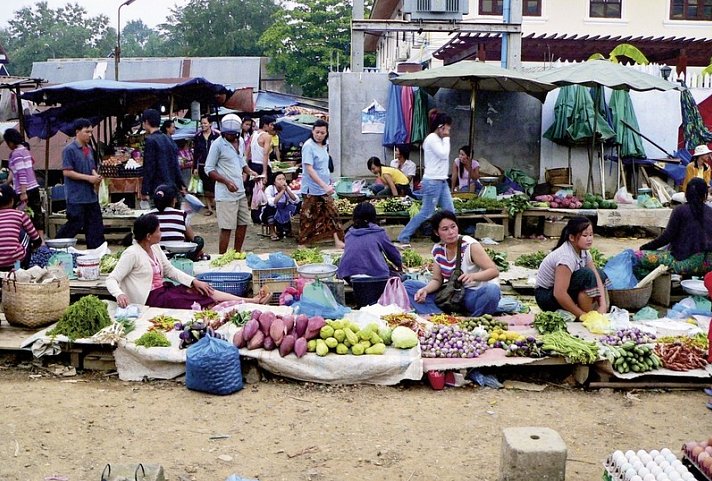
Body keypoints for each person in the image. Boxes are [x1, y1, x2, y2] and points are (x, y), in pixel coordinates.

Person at [106, 214, 270, 308]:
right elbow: (112, 279)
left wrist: (193, 282)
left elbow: (170, 270)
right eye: (158, 230)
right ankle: (249, 303)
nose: (161, 233)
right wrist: (119, 294)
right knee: (194, 304)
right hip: (149, 299)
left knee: (202, 290)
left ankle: (252, 301)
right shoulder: (132, 253)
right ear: (149, 236)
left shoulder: (154, 248)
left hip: (164, 290)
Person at [403, 211, 500, 316]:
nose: (451, 232)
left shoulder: (469, 245)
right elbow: (437, 280)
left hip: (472, 295)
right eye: (445, 229)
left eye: (453, 227)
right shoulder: (438, 249)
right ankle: (439, 316)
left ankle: (475, 318)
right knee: (408, 286)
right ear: (437, 232)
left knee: (492, 291)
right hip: (450, 295)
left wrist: (473, 276)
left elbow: (493, 271)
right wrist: (425, 290)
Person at [396, 113, 455, 249]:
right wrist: (447, 138)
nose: (448, 131)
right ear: (441, 127)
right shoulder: (432, 139)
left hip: (441, 180)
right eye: (447, 128)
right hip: (433, 181)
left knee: (450, 211)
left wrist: (445, 138)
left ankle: (451, 238)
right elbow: (443, 154)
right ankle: (404, 236)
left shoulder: (438, 139)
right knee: (426, 212)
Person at [204, 114, 260, 254]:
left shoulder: (240, 141)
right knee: (227, 227)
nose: (231, 137)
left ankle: (237, 252)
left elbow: (241, 160)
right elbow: (209, 169)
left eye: (233, 134)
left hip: (240, 191)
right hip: (225, 194)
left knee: (243, 223)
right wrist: (226, 182)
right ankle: (222, 256)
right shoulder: (217, 145)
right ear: (223, 133)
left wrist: (250, 171)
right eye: (228, 134)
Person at [636, 177, 712, 277]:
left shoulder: (680, 210)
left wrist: (644, 248)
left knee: (636, 257)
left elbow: (666, 237)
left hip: (684, 264)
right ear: (705, 195)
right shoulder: (710, 212)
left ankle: (663, 283)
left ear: (686, 194)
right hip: (707, 265)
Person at [535, 217, 608, 319]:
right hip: (546, 297)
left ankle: (591, 312)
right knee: (587, 275)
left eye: (591, 235)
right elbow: (559, 293)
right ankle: (586, 313)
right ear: (572, 238)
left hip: (559, 292)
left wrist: (603, 305)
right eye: (585, 235)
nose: (589, 239)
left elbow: (596, 275)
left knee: (600, 274)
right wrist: (582, 316)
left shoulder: (584, 252)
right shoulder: (566, 257)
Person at [56, 118, 106, 248]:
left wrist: (96, 176)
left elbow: (92, 168)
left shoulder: (89, 149)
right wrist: (88, 178)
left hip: (90, 196)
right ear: (77, 132)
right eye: (87, 132)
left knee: (95, 227)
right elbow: (67, 172)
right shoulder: (69, 150)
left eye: (91, 132)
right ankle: (56, 246)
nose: (90, 134)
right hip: (76, 197)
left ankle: (96, 253)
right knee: (75, 223)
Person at [298, 119, 344, 249]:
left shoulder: (324, 146)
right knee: (308, 217)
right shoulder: (308, 146)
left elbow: (324, 167)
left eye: (322, 133)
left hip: (324, 188)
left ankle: (338, 240)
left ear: (326, 133)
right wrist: (323, 185)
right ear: (312, 131)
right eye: (317, 132)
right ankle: (303, 244)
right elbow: (309, 169)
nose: (319, 135)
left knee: (332, 213)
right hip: (311, 189)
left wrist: (329, 182)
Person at [337, 202, 402, 284]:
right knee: (399, 278)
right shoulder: (378, 232)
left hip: (348, 276)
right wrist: (399, 265)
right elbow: (392, 253)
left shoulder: (349, 233)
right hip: (375, 277)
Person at [3, 128, 44, 238]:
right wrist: (7, 183)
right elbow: (15, 172)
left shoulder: (16, 154)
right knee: (37, 214)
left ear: (10, 142)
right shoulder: (25, 151)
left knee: (19, 214)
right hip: (34, 186)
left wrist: (23, 192)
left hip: (24, 189)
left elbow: (22, 174)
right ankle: (41, 241)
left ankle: (20, 237)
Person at [149, 184, 207, 261]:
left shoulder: (147, 216)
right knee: (199, 240)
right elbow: (192, 239)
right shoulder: (180, 215)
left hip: (153, 256)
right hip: (177, 256)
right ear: (174, 200)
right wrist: (199, 252)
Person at [140, 109, 185, 203]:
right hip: (172, 186)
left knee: (157, 215)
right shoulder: (169, 140)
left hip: (157, 188)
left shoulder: (150, 141)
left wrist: (145, 190)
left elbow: (149, 167)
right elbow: (175, 164)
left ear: (147, 122)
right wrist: (181, 184)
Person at [0, 184, 41, 270]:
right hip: (14, 259)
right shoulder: (20, 215)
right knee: (25, 235)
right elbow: (35, 237)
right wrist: (36, 245)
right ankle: (23, 267)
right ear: (12, 200)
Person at [193, 115, 220, 216]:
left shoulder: (217, 135)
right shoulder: (197, 137)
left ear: (210, 124)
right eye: (202, 123)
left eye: (205, 123)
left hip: (215, 166)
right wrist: (195, 167)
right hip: (202, 165)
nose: (203, 125)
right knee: (206, 187)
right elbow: (195, 154)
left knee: (215, 186)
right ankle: (209, 208)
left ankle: (218, 206)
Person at [261, 172, 299, 241]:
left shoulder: (287, 188)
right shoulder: (270, 189)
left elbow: (295, 200)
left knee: (297, 205)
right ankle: (272, 231)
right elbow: (272, 202)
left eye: (283, 179)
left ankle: (287, 229)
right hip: (270, 213)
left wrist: (287, 190)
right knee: (270, 208)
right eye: (279, 179)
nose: (282, 181)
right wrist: (282, 191)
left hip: (282, 212)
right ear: (274, 182)